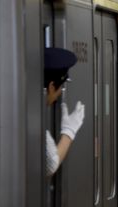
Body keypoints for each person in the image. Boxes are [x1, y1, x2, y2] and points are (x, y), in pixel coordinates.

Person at [44, 47, 85, 176]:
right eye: (60, 87)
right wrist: (69, 131)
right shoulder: (33, 118)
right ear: (51, 87)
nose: (58, 94)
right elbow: (51, 164)